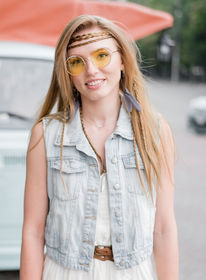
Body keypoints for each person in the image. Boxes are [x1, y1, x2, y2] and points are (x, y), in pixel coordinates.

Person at [20, 15, 178, 280]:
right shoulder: (45, 135)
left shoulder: (155, 132)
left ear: (123, 61)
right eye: (77, 62)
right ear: (67, 73)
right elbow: (33, 232)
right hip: (64, 273)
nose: (91, 70)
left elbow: (163, 229)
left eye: (102, 56)